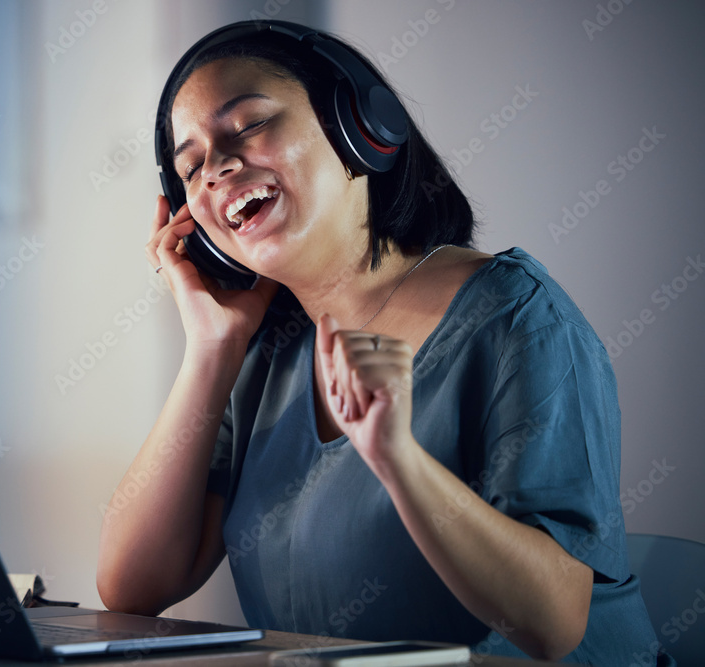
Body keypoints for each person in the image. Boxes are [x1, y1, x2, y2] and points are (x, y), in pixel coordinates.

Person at [97, 21, 670, 665]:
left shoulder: (519, 319)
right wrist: (211, 345)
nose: (216, 168)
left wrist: (399, 459)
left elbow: (554, 624)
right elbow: (132, 588)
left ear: (360, 130)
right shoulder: (262, 354)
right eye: (191, 164)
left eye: (248, 124)